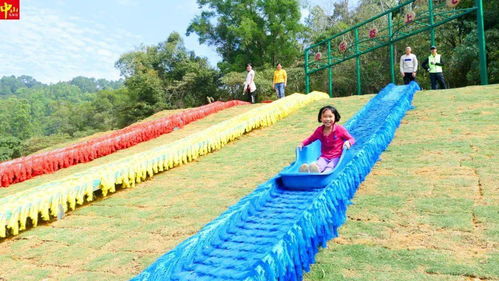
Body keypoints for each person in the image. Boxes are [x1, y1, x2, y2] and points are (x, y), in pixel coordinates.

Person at [298, 105, 355, 173]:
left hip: (337, 156)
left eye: (330, 116)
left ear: (335, 117)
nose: (327, 119)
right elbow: (310, 139)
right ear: (321, 118)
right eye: (325, 117)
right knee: (320, 164)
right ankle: (309, 170)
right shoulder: (319, 130)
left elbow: (351, 139)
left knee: (331, 166)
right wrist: (302, 143)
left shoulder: (339, 129)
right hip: (324, 156)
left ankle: (325, 173)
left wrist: (348, 142)